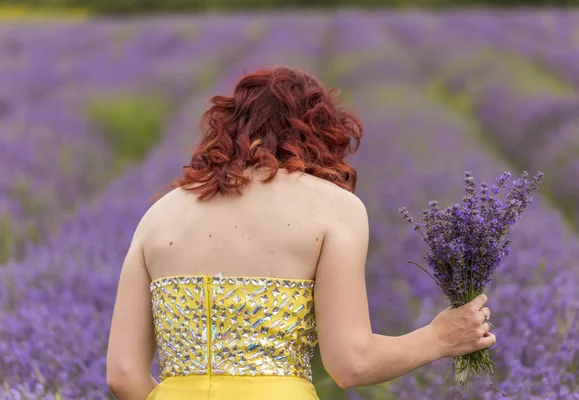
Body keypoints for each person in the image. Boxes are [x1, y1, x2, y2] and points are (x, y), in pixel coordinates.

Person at [106, 66, 495, 400]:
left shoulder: (158, 216)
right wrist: (439, 338)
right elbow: (351, 364)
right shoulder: (332, 208)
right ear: (321, 133)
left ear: (224, 129)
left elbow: (122, 374)